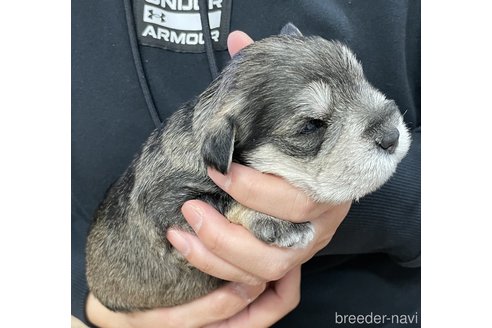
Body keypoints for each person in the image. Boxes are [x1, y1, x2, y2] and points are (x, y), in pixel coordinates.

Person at [72, 0, 420, 327]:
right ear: (225, 146)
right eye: (311, 125)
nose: (387, 125)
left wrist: (380, 201)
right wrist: (81, 301)